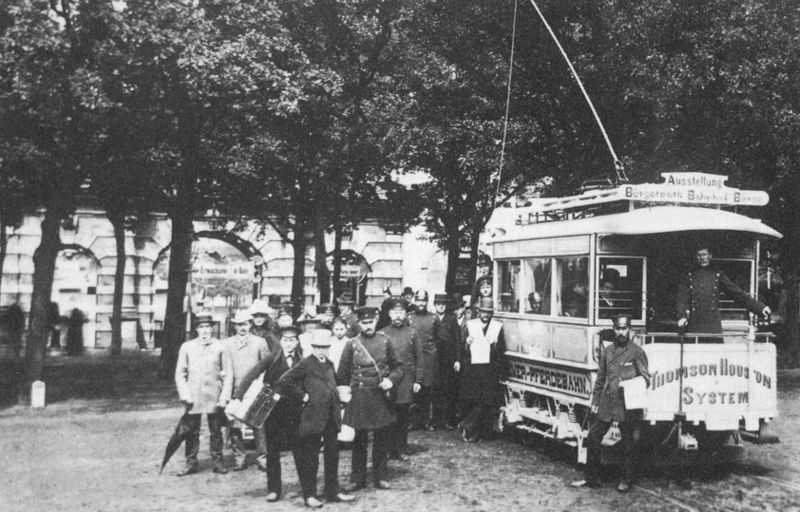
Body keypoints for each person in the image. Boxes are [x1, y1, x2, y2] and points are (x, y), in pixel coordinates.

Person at [276, 329, 355, 508]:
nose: (321, 350)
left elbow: (332, 383)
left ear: (329, 347)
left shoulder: (329, 364)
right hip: (313, 417)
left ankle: (333, 491)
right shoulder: (305, 364)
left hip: (331, 417)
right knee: (310, 457)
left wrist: (338, 398)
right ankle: (309, 494)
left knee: (332, 455)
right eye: (318, 347)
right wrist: (303, 396)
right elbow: (284, 381)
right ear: (312, 347)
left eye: (324, 347)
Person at [571, 314, 649, 492]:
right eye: (618, 329)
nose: (621, 332)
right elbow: (600, 379)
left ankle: (626, 480)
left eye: (624, 328)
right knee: (593, 437)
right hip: (607, 402)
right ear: (614, 329)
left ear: (629, 329)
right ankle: (591, 478)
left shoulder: (637, 352)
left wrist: (629, 384)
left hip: (626, 404)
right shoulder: (607, 351)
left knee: (629, 442)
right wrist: (595, 401)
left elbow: (646, 378)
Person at [234, 324, 305, 502]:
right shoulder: (272, 358)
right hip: (272, 410)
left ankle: (306, 487)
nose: (289, 344)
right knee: (272, 450)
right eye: (286, 340)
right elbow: (252, 374)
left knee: (300, 449)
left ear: (297, 342)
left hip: (296, 411)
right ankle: (274, 489)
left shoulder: (303, 361)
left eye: (292, 340)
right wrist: (238, 396)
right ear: (280, 341)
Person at [337, 306, 403, 491]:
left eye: (371, 322)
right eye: (364, 323)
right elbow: (342, 373)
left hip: (380, 396)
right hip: (359, 396)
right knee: (359, 440)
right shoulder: (352, 344)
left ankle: (381, 476)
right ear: (358, 323)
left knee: (382, 438)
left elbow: (399, 367)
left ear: (376, 321)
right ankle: (357, 479)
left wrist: (391, 381)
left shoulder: (386, 341)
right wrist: (345, 395)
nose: (368, 326)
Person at [174, 315, 233, 476]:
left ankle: (217, 462)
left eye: (208, 326)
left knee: (216, 431)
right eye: (201, 327)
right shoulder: (187, 347)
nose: (205, 330)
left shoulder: (221, 346)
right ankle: (191, 462)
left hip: (215, 394)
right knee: (191, 431)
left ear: (212, 328)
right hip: (193, 396)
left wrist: (224, 396)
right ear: (196, 329)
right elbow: (180, 373)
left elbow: (228, 374)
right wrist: (185, 394)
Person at [676, 245, 770, 336]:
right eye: (699, 255)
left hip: (713, 324)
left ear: (710, 256)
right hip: (695, 322)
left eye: (704, 254)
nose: (702, 258)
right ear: (695, 257)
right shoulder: (689, 276)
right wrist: (682, 317)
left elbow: (737, 293)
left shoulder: (717, 274)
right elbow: (682, 299)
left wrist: (760, 308)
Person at [223, 310, 269, 471]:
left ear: (250, 324)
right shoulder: (227, 344)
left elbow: (266, 365)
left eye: (245, 324)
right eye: (239, 324)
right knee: (235, 425)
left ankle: (262, 457)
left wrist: (261, 384)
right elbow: (223, 367)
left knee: (258, 425)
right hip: (235, 390)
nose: (242, 327)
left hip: (255, 389)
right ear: (234, 326)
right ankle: (239, 458)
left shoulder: (260, 342)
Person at [456, 297, 506, 443]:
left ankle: (474, 429)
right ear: (478, 312)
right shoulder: (470, 325)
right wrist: (467, 343)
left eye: (488, 312)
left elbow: (501, 350)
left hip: (489, 369)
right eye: (483, 312)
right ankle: (471, 429)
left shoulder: (497, 327)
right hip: (473, 369)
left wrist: (495, 345)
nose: (486, 315)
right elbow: (461, 346)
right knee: (475, 400)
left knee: (487, 401)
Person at [378, 297, 421, 460]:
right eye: (395, 312)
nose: (398, 315)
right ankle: (389, 449)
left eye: (401, 312)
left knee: (403, 416)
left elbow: (419, 358)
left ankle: (402, 448)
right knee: (389, 415)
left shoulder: (412, 333)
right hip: (389, 380)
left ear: (405, 314)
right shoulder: (382, 333)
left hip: (407, 380)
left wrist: (418, 380)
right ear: (389, 314)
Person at [408, 290, 438, 431]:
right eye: (418, 300)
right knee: (414, 389)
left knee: (427, 389)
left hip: (428, 357)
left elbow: (438, 338)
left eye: (423, 300)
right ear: (415, 301)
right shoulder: (409, 318)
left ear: (427, 302)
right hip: (413, 356)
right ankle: (413, 421)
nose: (421, 303)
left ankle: (426, 420)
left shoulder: (433, 318)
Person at [433, 293, 463, 429]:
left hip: (448, 360)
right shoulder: (432, 318)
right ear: (434, 305)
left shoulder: (451, 319)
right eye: (438, 304)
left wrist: (457, 359)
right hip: (434, 360)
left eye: (443, 304)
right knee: (436, 390)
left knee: (449, 390)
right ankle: (436, 419)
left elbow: (458, 341)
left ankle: (448, 420)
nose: (441, 307)